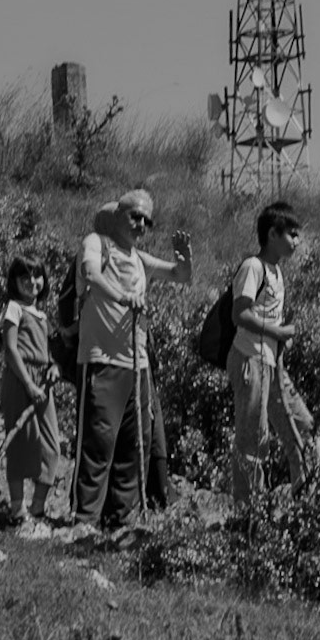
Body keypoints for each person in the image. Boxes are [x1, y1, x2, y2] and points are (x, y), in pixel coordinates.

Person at [72, 189, 193, 529]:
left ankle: (120, 518)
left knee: (132, 445)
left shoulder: (140, 259)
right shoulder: (96, 243)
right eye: (135, 216)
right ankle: (85, 518)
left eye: (147, 220)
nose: (141, 224)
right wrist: (124, 297)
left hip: (137, 365)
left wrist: (186, 259)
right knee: (98, 442)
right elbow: (91, 274)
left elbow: (181, 276)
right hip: (101, 359)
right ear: (117, 215)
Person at [228, 202, 320, 512]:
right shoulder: (253, 267)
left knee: (305, 429)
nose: (297, 241)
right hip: (250, 361)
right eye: (292, 234)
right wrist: (278, 332)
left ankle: (305, 503)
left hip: (272, 364)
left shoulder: (277, 272)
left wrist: (280, 339)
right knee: (252, 441)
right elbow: (240, 314)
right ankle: (247, 514)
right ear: (272, 234)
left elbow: (266, 317)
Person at [0, 255, 61, 523]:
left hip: (42, 382)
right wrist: (28, 384)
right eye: (25, 277)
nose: (32, 282)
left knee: (51, 445)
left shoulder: (44, 316)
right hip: (20, 378)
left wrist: (54, 367)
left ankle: (38, 507)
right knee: (19, 442)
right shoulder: (14, 308)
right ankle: (17, 509)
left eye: (37, 276)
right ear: (14, 281)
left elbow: (49, 351)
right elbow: (10, 350)